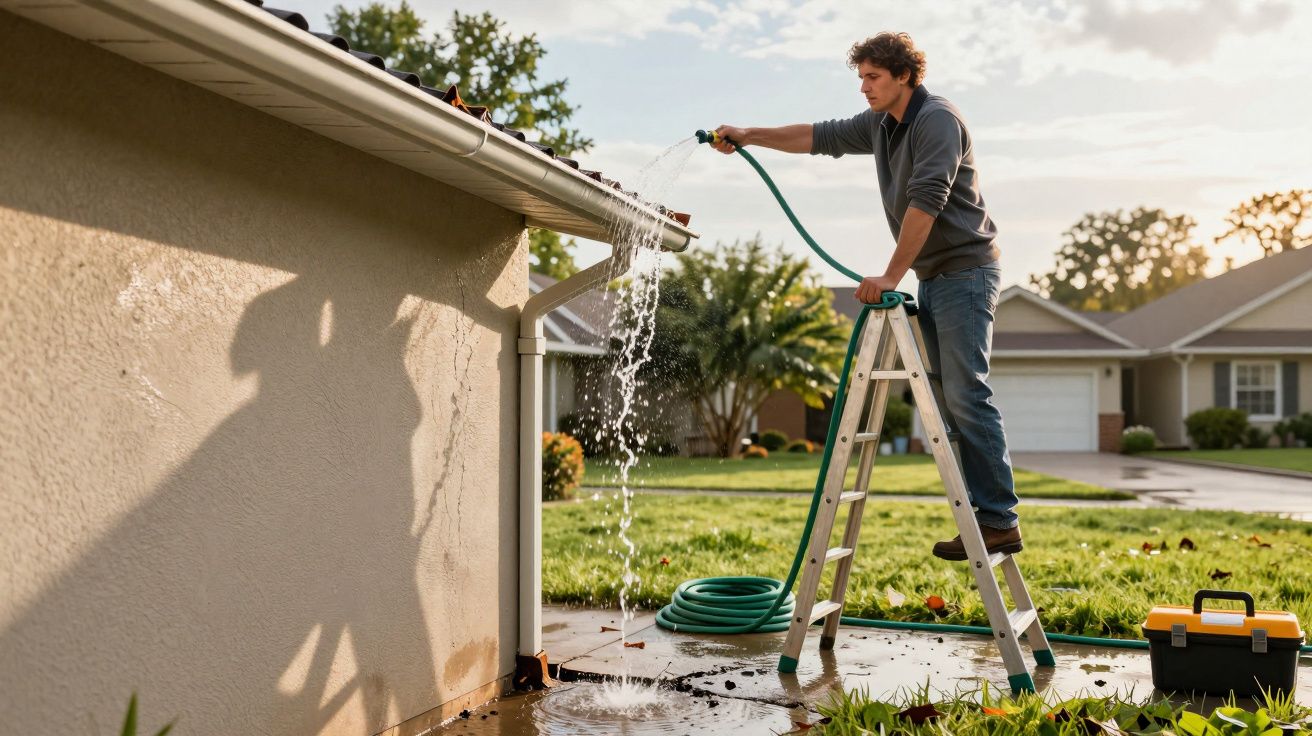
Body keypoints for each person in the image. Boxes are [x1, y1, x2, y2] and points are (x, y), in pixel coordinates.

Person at [712, 32, 1020, 561]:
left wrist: (890, 274)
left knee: (966, 393)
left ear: (904, 75)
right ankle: (983, 514)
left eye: (873, 77)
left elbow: (927, 202)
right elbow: (816, 136)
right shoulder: (881, 124)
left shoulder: (937, 120)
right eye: (860, 78)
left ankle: (999, 520)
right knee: (949, 398)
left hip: (967, 272)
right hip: (937, 277)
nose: (864, 88)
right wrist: (748, 134)